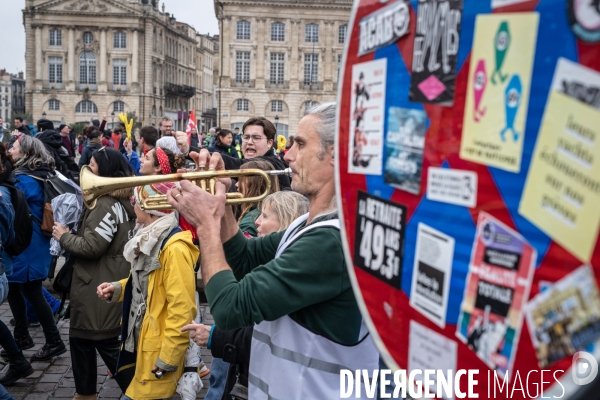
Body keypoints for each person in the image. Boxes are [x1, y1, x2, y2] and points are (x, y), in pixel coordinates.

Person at [170, 103, 378, 399]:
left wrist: (206, 224)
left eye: (300, 144)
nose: (288, 154)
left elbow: (230, 309)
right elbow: (243, 259)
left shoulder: (332, 241)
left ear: (335, 154)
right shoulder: (305, 225)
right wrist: (221, 205)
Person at [200, 190, 309, 400]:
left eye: (265, 216)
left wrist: (216, 336)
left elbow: (229, 309)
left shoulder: (288, 267)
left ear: (286, 221)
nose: (256, 222)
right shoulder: (273, 257)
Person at [96, 183, 198, 400]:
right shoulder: (149, 236)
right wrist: (118, 288)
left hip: (157, 350)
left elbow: (182, 310)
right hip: (143, 341)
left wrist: (167, 360)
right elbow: (149, 284)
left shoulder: (173, 248)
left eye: (135, 201)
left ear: (148, 207)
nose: (132, 205)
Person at [53, 147, 136, 400]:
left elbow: (92, 247)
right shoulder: (119, 201)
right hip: (102, 279)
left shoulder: (105, 204)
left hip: (96, 284)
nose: (87, 169)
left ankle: (139, 394)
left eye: (93, 164)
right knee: (83, 341)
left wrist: (64, 236)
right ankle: (85, 393)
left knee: (102, 342)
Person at [7, 135, 66, 362]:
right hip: (34, 241)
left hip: (28, 243)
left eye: (14, 147)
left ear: (26, 153)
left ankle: (53, 341)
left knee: (30, 290)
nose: (11, 151)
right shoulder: (42, 174)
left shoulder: (24, 179)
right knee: (16, 288)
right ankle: (21, 336)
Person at [0, 155, 34, 387]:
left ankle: (19, 355)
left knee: (33, 293)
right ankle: (18, 357)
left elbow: (8, 236)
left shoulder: (2, 197)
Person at [236, 160, 280, 237]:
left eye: (241, 180)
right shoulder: (267, 210)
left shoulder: (250, 221)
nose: (236, 184)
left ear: (254, 184)